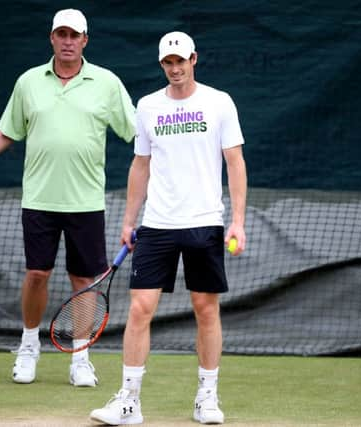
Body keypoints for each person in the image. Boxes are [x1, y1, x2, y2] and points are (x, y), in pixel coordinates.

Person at [0, 9, 135, 387]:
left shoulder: (107, 84)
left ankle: (80, 358)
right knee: (37, 274)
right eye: (61, 34)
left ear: (85, 41)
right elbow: (6, 132)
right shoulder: (29, 82)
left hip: (87, 202)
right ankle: (29, 346)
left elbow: (138, 132)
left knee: (84, 280)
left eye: (74, 35)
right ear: (51, 38)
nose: (67, 41)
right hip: (40, 200)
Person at [90, 31, 247, 425]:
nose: (175, 68)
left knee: (205, 309)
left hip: (205, 224)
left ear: (194, 58)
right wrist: (129, 220)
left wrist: (238, 221)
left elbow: (235, 163)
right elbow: (140, 166)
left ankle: (207, 398)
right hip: (157, 225)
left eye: (181, 60)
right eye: (168, 62)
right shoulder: (147, 107)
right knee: (141, 309)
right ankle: (128, 402)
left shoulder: (219, 102)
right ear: (161, 64)